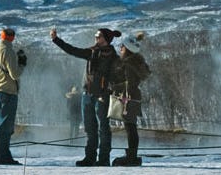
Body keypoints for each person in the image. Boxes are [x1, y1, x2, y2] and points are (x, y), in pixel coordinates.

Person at [52, 27, 121, 167]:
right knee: (89, 128)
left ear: (106, 39)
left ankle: (103, 159)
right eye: (95, 35)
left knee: (103, 128)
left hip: (102, 96)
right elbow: (73, 50)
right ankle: (89, 157)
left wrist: (110, 89)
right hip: (87, 94)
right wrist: (56, 40)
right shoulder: (92, 52)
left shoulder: (113, 57)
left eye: (99, 36)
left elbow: (118, 78)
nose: (96, 38)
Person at [111, 33, 152, 166]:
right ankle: (132, 154)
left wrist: (122, 96)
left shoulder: (128, 64)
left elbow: (129, 82)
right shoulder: (136, 62)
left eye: (122, 46)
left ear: (127, 48)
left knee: (130, 128)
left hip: (127, 98)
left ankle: (131, 156)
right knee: (131, 127)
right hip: (133, 97)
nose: (120, 48)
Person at [0, 28, 25, 166]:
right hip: (8, 91)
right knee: (6, 126)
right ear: (12, 38)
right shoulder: (8, 51)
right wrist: (21, 64)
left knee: (2, 124)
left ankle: (3, 155)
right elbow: (15, 74)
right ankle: (2, 157)